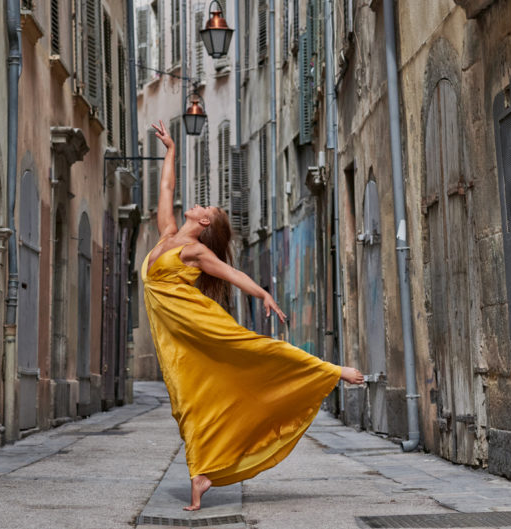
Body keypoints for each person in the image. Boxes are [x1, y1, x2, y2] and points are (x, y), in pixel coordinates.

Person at [142, 120, 364, 511]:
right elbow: (166, 189)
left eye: (203, 208)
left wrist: (262, 293)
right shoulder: (167, 235)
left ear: (205, 222)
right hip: (177, 339)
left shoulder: (194, 252)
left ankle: (333, 372)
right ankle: (202, 475)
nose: (196, 206)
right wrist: (171, 150)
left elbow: (231, 274)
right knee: (190, 400)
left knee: (257, 349)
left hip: (198, 323)